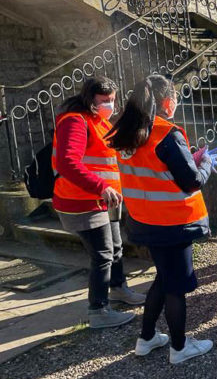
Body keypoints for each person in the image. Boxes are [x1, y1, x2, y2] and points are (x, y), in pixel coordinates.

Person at [106, 74, 217, 364]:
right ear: (168, 102)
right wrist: (204, 163)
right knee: (176, 286)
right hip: (174, 222)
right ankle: (180, 348)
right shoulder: (166, 133)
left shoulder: (125, 131)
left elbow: (152, 170)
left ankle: (146, 338)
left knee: (163, 278)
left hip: (144, 220)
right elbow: (191, 181)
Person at [52, 76, 145, 329]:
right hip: (83, 200)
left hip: (106, 200)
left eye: (113, 100)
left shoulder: (99, 122)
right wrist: (100, 187)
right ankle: (98, 310)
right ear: (89, 99)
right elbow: (67, 163)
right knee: (102, 254)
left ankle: (118, 288)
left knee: (115, 247)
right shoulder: (75, 121)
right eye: (104, 100)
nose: (110, 105)